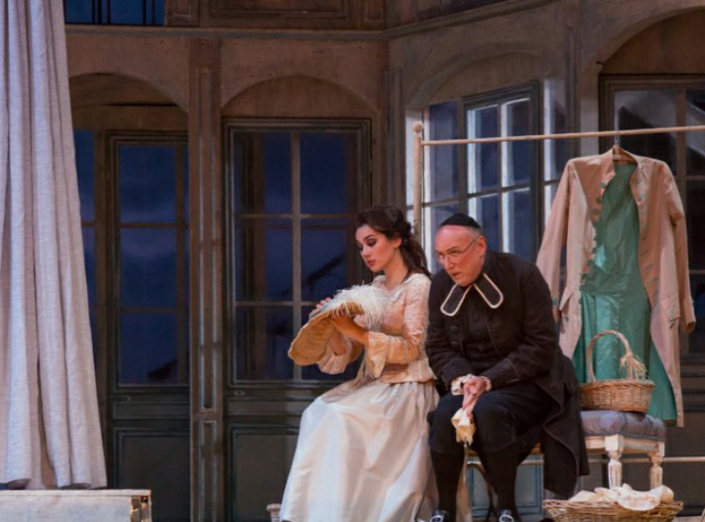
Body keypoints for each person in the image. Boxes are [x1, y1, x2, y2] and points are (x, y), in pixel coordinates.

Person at [280, 205, 439, 522]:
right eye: (361, 246)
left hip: (409, 389)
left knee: (341, 416)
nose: (365, 252)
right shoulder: (376, 288)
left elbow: (411, 349)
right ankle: (326, 514)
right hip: (376, 388)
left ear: (396, 240)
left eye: (371, 242)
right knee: (318, 412)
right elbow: (350, 350)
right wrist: (334, 325)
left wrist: (355, 331)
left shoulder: (418, 286)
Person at [425, 214, 588, 522]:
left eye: (454, 253)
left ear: (480, 246)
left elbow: (541, 345)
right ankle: (444, 511)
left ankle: (507, 509)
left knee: (490, 410)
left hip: (529, 382)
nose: (448, 264)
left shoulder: (521, 274)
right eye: (441, 256)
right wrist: (463, 378)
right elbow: (437, 347)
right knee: (445, 412)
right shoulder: (440, 285)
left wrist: (489, 379)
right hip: (470, 384)